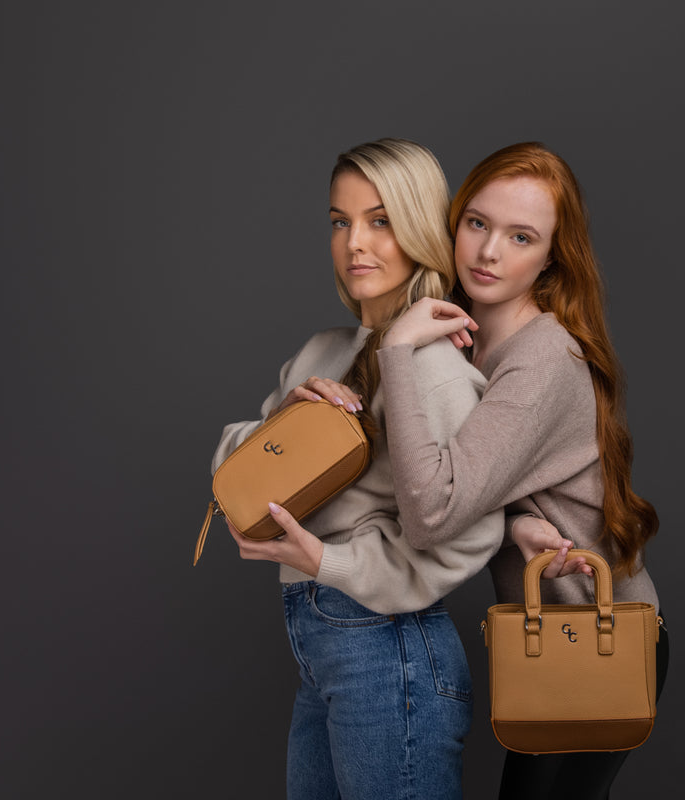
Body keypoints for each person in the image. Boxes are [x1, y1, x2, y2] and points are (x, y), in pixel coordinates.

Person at [210, 138, 504, 800]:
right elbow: (234, 476)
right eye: (340, 222)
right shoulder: (322, 352)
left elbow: (473, 529)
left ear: (419, 228)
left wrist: (327, 562)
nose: (354, 244)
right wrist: (281, 418)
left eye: (380, 220)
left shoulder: (431, 368)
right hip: (323, 655)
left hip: (389, 652)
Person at [376, 141, 668, 800]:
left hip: (601, 640)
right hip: (555, 637)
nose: (488, 252)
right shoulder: (466, 340)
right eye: (477, 223)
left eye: (520, 235)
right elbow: (453, 484)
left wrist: (396, 349)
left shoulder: (539, 361)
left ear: (551, 258)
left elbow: (430, 516)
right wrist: (515, 529)